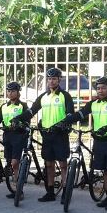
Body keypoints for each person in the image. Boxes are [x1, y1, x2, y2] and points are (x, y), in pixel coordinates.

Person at [64, 77, 107, 211]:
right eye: (98, 88)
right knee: (104, 170)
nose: (100, 91)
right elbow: (81, 114)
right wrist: (66, 120)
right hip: (99, 140)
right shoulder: (94, 103)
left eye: (103, 88)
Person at [27, 67, 75, 202]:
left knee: (63, 164)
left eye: (54, 79)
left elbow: (70, 113)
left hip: (60, 134)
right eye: (49, 79)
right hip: (47, 135)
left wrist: (65, 123)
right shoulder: (43, 96)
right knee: (49, 164)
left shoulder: (65, 96)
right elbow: (32, 111)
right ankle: (50, 192)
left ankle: (66, 191)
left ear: (59, 80)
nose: (51, 81)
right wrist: (19, 118)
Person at [0, 81, 31, 199]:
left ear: (18, 92)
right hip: (7, 136)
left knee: (15, 163)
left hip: (19, 136)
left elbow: (27, 120)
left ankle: (18, 189)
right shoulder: (4, 106)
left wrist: (20, 124)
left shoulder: (23, 106)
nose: (10, 93)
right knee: (9, 162)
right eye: (8, 91)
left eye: (13, 91)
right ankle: (14, 188)